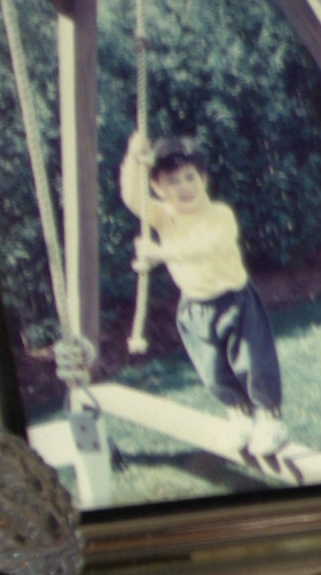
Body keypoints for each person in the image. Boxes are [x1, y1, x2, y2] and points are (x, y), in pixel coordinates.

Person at [118, 124, 281, 424]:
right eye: (172, 182)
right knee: (212, 370)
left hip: (234, 301)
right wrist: (133, 156)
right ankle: (238, 414)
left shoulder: (219, 214)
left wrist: (160, 254)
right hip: (193, 307)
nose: (184, 187)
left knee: (253, 361)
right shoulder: (164, 216)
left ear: (203, 179)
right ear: (158, 189)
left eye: (191, 177)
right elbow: (131, 198)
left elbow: (207, 247)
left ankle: (268, 416)